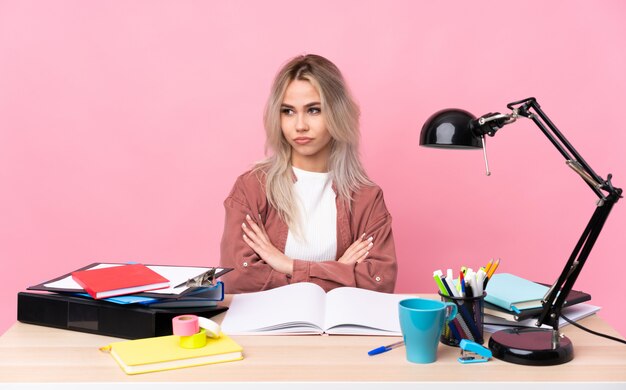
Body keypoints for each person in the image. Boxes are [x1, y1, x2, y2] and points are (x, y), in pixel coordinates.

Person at [219, 54, 397, 294]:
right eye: (288, 111)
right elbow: (238, 280)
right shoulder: (251, 188)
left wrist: (287, 265)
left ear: (337, 113)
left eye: (313, 110)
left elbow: (379, 283)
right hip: (266, 329)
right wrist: (339, 271)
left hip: (339, 330)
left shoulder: (366, 197)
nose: (300, 125)